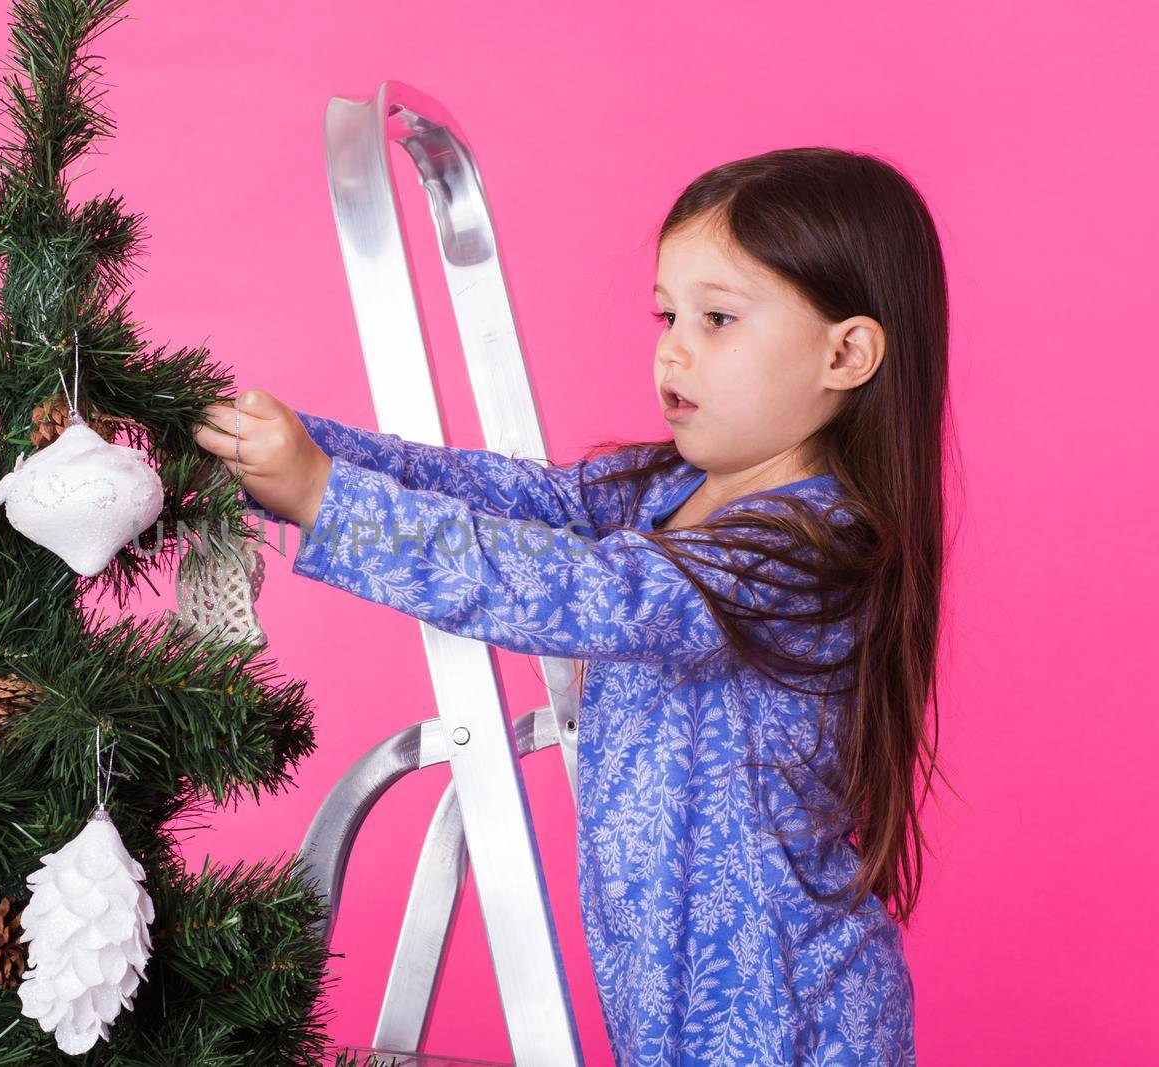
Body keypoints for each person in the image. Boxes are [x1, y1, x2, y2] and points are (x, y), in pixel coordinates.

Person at [193, 146, 948, 1065]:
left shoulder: (810, 548)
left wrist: (329, 501)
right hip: (661, 992)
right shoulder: (665, 490)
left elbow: (588, 593)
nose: (673, 348)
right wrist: (310, 454)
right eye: (668, 314)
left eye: (718, 319)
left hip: (791, 1012)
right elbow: (508, 499)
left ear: (846, 354)